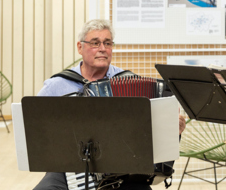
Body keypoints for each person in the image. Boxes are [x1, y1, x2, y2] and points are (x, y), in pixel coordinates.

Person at [35, 19, 186, 190]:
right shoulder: (57, 85)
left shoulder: (130, 82)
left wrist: (171, 130)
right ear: (80, 47)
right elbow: (36, 128)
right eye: (95, 43)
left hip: (123, 171)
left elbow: (151, 134)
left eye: (107, 43)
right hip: (69, 167)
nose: (102, 49)